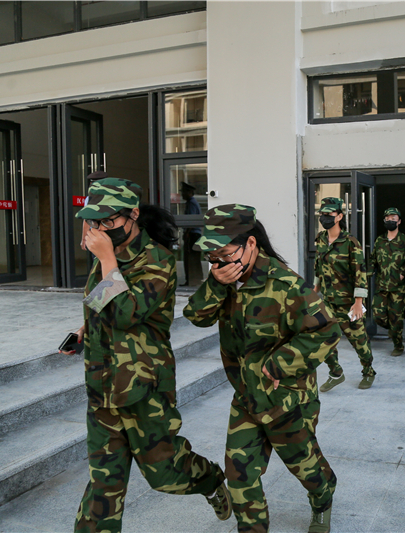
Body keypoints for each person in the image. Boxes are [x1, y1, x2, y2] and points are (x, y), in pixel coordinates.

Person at [67, 178, 231, 532]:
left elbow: (126, 314)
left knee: (165, 475)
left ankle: (210, 480)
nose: (99, 229)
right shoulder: (107, 253)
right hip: (102, 386)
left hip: (143, 388)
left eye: (107, 220)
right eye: (94, 221)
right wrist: (85, 329)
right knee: (103, 487)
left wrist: (106, 258)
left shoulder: (157, 259)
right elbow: (101, 302)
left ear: (133, 215)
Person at [184, 204, 340, 533]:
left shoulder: (286, 285)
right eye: (211, 257)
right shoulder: (223, 281)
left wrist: (280, 364)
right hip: (246, 396)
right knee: (239, 477)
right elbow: (196, 316)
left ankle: (322, 496)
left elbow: (327, 331)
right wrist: (215, 284)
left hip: (287, 399)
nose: (218, 264)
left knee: (306, 469)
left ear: (251, 244)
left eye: (224, 254)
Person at [313, 197, 377, 391]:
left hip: (348, 302)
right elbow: (318, 268)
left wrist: (358, 302)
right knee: (323, 339)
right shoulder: (320, 239)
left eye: (329, 214)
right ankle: (336, 373)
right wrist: (314, 291)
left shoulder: (350, 242)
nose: (324, 217)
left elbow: (360, 273)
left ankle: (368, 372)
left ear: (339, 216)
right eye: (322, 214)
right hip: (327, 301)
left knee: (359, 340)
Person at [369, 207, 405, 357]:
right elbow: (373, 259)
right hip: (381, 284)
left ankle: (398, 345)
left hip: (398, 287)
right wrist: (367, 273)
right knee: (378, 316)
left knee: (396, 319)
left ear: (399, 221)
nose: (390, 221)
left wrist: (403, 272)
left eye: (393, 218)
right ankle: (393, 330)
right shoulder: (380, 240)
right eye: (387, 218)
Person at [181, 182, 203, 286]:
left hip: (192, 235)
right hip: (194, 234)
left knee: (191, 258)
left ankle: (192, 281)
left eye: (184, 192)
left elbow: (191, 220)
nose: (182, 194)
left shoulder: (191, 203)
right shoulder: (192, 202)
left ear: (189, 192)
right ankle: (192, 280)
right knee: (192, 258)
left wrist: (187, 233)